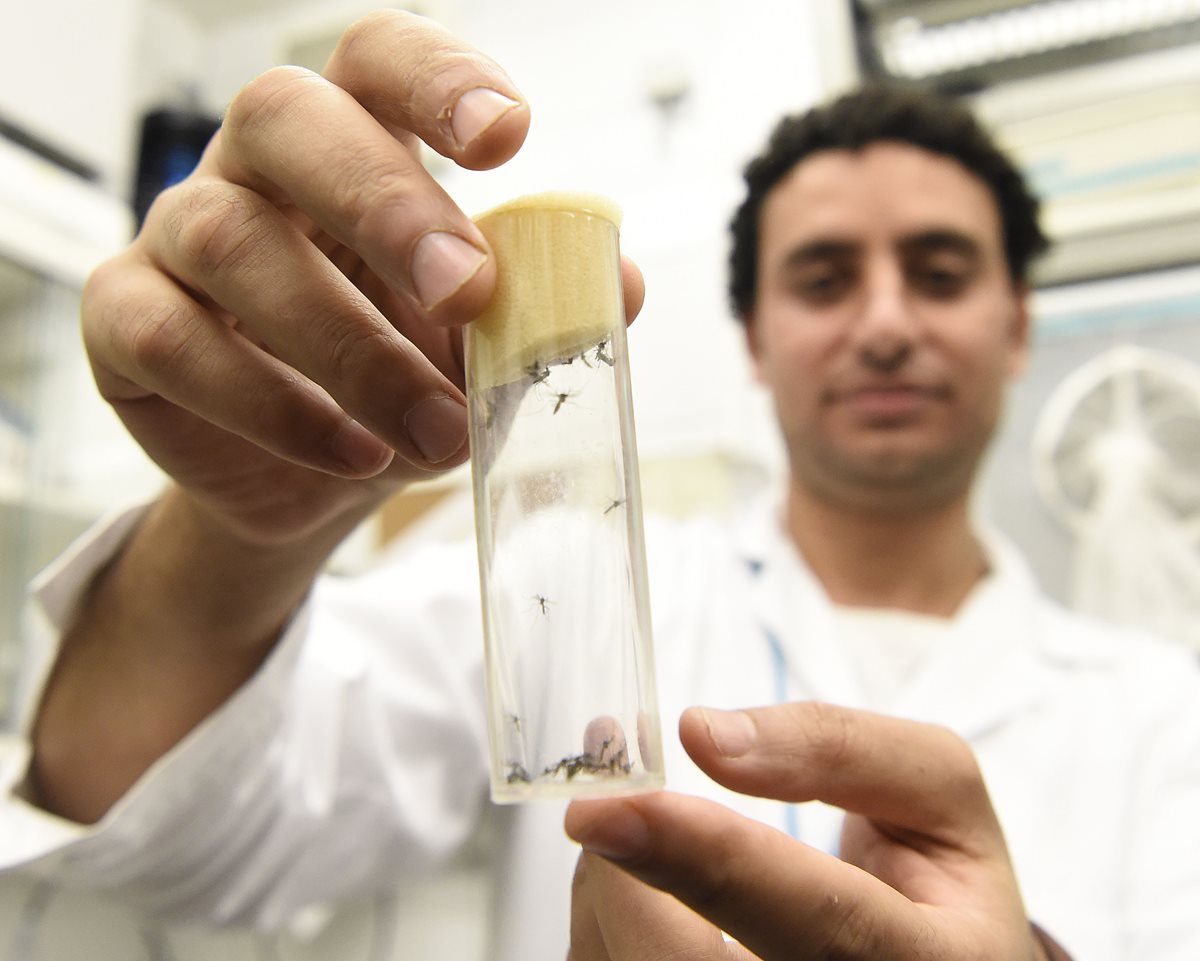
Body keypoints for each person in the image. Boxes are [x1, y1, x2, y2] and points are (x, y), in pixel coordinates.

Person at [2, 9, 1197, 961]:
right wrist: (237, 532)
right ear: (753, 339)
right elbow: (160, 835)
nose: (885, 323)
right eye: (826, 278)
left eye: (937, 272)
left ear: (1018, 327)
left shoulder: (1164, 716)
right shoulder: (562, 572)